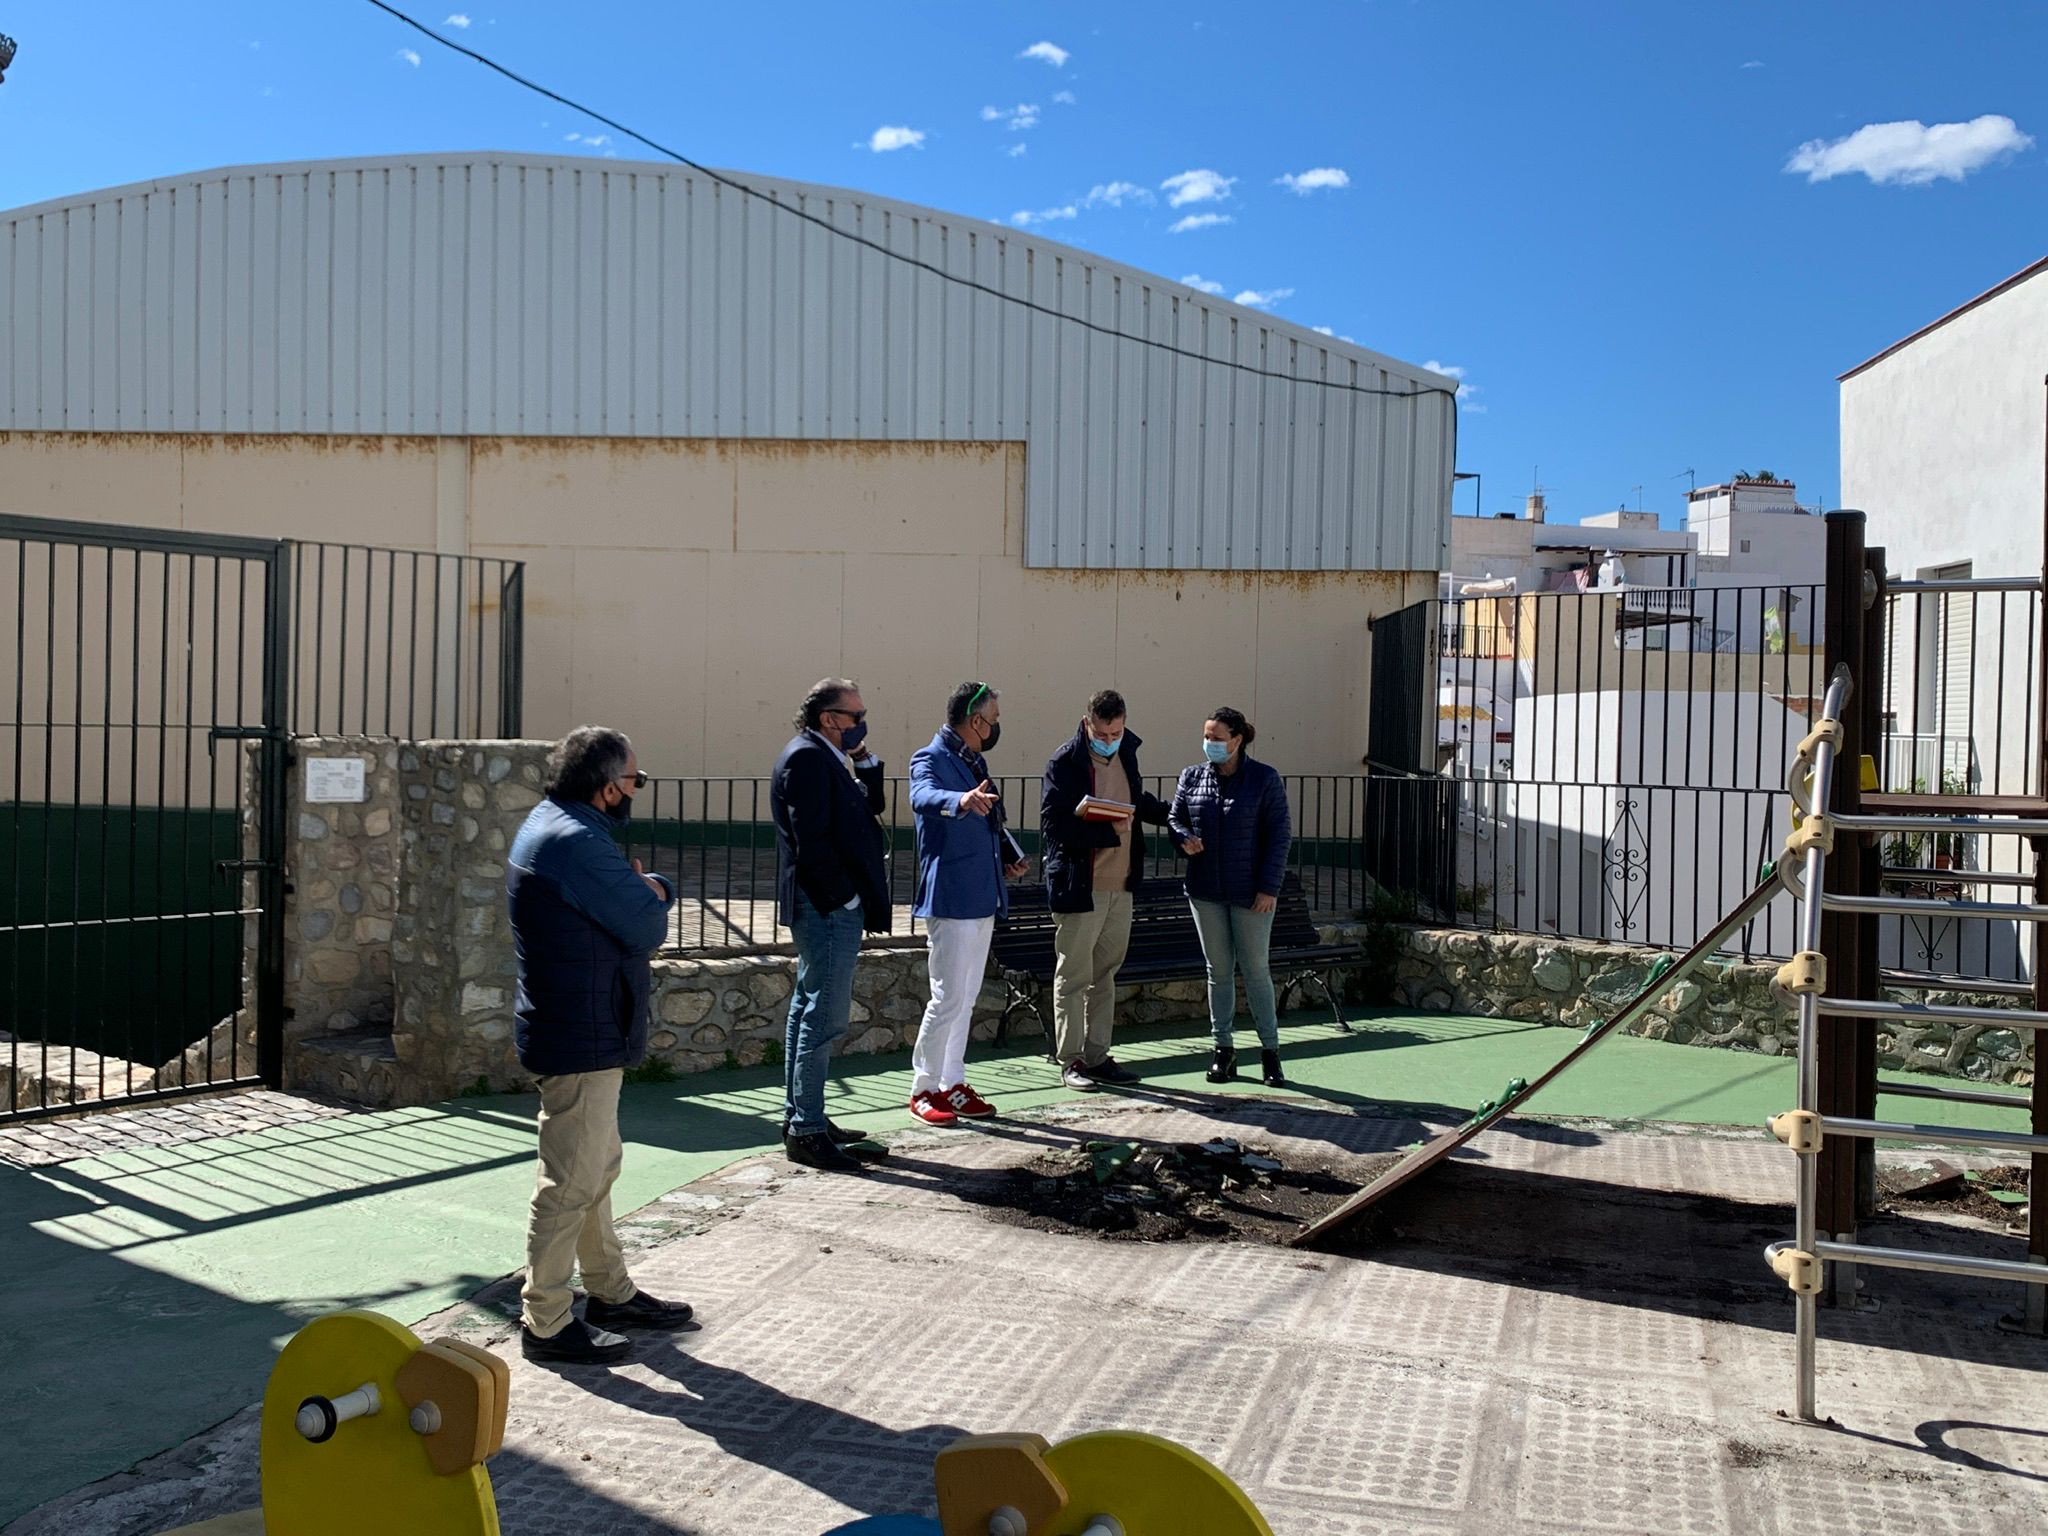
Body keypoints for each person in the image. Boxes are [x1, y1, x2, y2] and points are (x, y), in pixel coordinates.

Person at [507, 726, 695, 1366]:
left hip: (577, 1026)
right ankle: (547, 1320)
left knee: (594, 1168)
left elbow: (629, 904)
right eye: (636, 780)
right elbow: (644, 924)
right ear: (610, 788)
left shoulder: (554, 825)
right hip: (580, 1034)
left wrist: (646, 888)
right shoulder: (578, 843)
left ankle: (610, 1291)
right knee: (569, 1182)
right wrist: (657, 891)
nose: (637, 789)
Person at [771, 678, 895, 1174]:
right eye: (855, 716)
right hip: (826, 908)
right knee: (823, 1016)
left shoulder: (825, 755)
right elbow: (811, 843)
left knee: (809, 1008)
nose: (862, 723)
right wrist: (846, 898)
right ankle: (806, 1129)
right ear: (828, 718)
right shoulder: (806, 758)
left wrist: (863, 759)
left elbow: (871, 807)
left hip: (827, 906)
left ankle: (805, 1115)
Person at [1039, 688, 1176, 1090]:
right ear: (1087, 724)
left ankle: (1098, 1056)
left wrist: (1174, 815)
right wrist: (1107, 830)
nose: (1109, 740)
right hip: (1081, 886)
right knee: (1073, 976)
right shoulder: (1064, 762)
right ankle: (1071, 1060)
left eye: (1116, 733)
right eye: (1102, 733)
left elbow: (1136, 801)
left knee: (1105, 975)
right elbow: (1054, 824)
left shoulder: (1127, 753)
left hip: (1122, 885)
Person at [907, 681, 1029, 1124]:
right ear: (975, 721)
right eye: (993, 720)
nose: (996, 727)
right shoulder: (930, 758)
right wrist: (960, 799)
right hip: (951, 896)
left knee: (966, 998)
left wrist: (1009, 856)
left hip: (982, 895)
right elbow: (922, 797)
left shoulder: (973, 761)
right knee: (947, 997)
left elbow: (990, 821)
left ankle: (952, 1083)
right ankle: (923, 1089)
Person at [1170, 707, 1293, 1088]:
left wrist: (1269, 887)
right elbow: (1175, 819)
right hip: (1205, 891)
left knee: (1256, 971)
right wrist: (1183, 838)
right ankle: (1223, 1049)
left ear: (1237, 740)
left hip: (1250, 893)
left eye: (1217, 738)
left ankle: (1270, 1052)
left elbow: (1279, 835)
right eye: (1207, 736)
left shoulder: (1264, 779)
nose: (1210, 743)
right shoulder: (1192, 776)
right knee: (1218, 972)